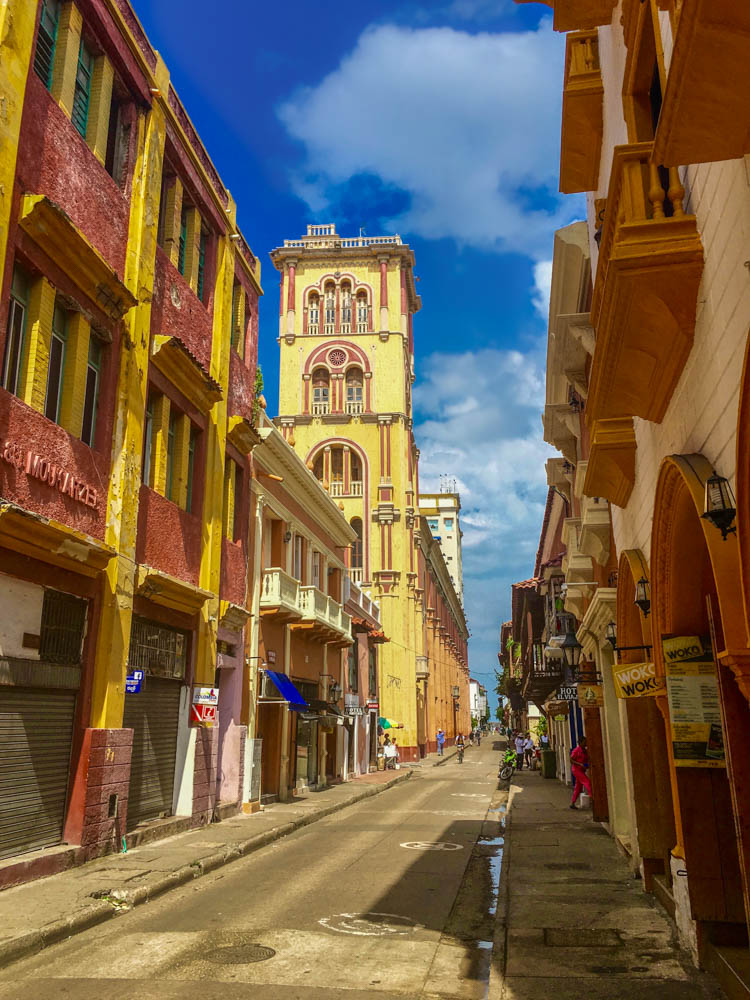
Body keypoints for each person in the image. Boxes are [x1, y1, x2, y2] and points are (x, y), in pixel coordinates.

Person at [570, 736, 592, 808]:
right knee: (587, 782)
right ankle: (592, 799)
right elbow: (571, 760)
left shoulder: (585, 751)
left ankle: (573, 803)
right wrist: (580, 764)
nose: (586, 743)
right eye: (584, 742)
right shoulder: (576, 750)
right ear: (580, 743)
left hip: (581, 770)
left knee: (578, 787)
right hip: (577, 770)